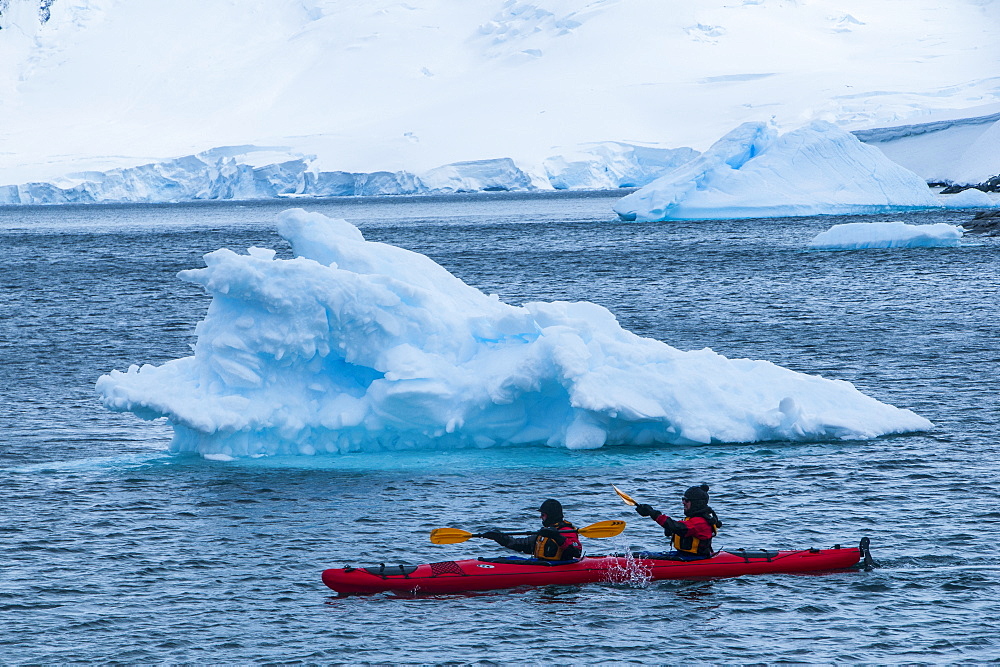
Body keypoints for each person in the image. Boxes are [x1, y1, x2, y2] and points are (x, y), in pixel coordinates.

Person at [634, 483, 722, 561]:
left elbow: (678, 527)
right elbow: (676, 527)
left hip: (695, 558)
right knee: (639, 555)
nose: (683, 502)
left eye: (686, 500)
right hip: (684, 555)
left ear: (696, 503)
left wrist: (653, 513)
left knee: (643, 557)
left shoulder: (700, 522)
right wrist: (668, 528)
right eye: (683, 499)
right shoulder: (692, 519)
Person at [482, 499, 583, 561]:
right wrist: (500, 538)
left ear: (550, 516)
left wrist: (557, 537)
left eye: (543, 515)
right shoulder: (545, 532)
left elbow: (576, 552)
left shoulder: (566, 530)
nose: (540, 517)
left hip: (558, 566)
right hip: (541, 564)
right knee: (503, 560)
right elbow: (520, 544)